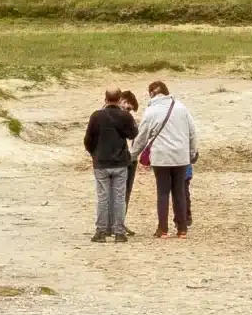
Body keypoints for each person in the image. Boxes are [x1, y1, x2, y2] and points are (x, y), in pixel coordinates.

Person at [136, 79, 200, 238]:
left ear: (152, 93)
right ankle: (182, 229)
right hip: (181, 156)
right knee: (179, 191)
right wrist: (192, 153)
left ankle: (163, 229)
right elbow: (192, 132)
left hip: (161, 157)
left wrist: (132, 154)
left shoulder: (150, 111)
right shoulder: (181, 107)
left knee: (163, 192)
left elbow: (142, 136)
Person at [84, 89, 139, 241]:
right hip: (120, 162)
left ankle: (101, 231)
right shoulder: (125, 116)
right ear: (119, 99)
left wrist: (94, 153)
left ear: (106, 99)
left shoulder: (96, 116)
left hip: (101, 162)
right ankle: (119, 232)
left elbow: (88, 139)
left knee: (103, 197)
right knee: (119, 197)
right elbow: (133, 134)